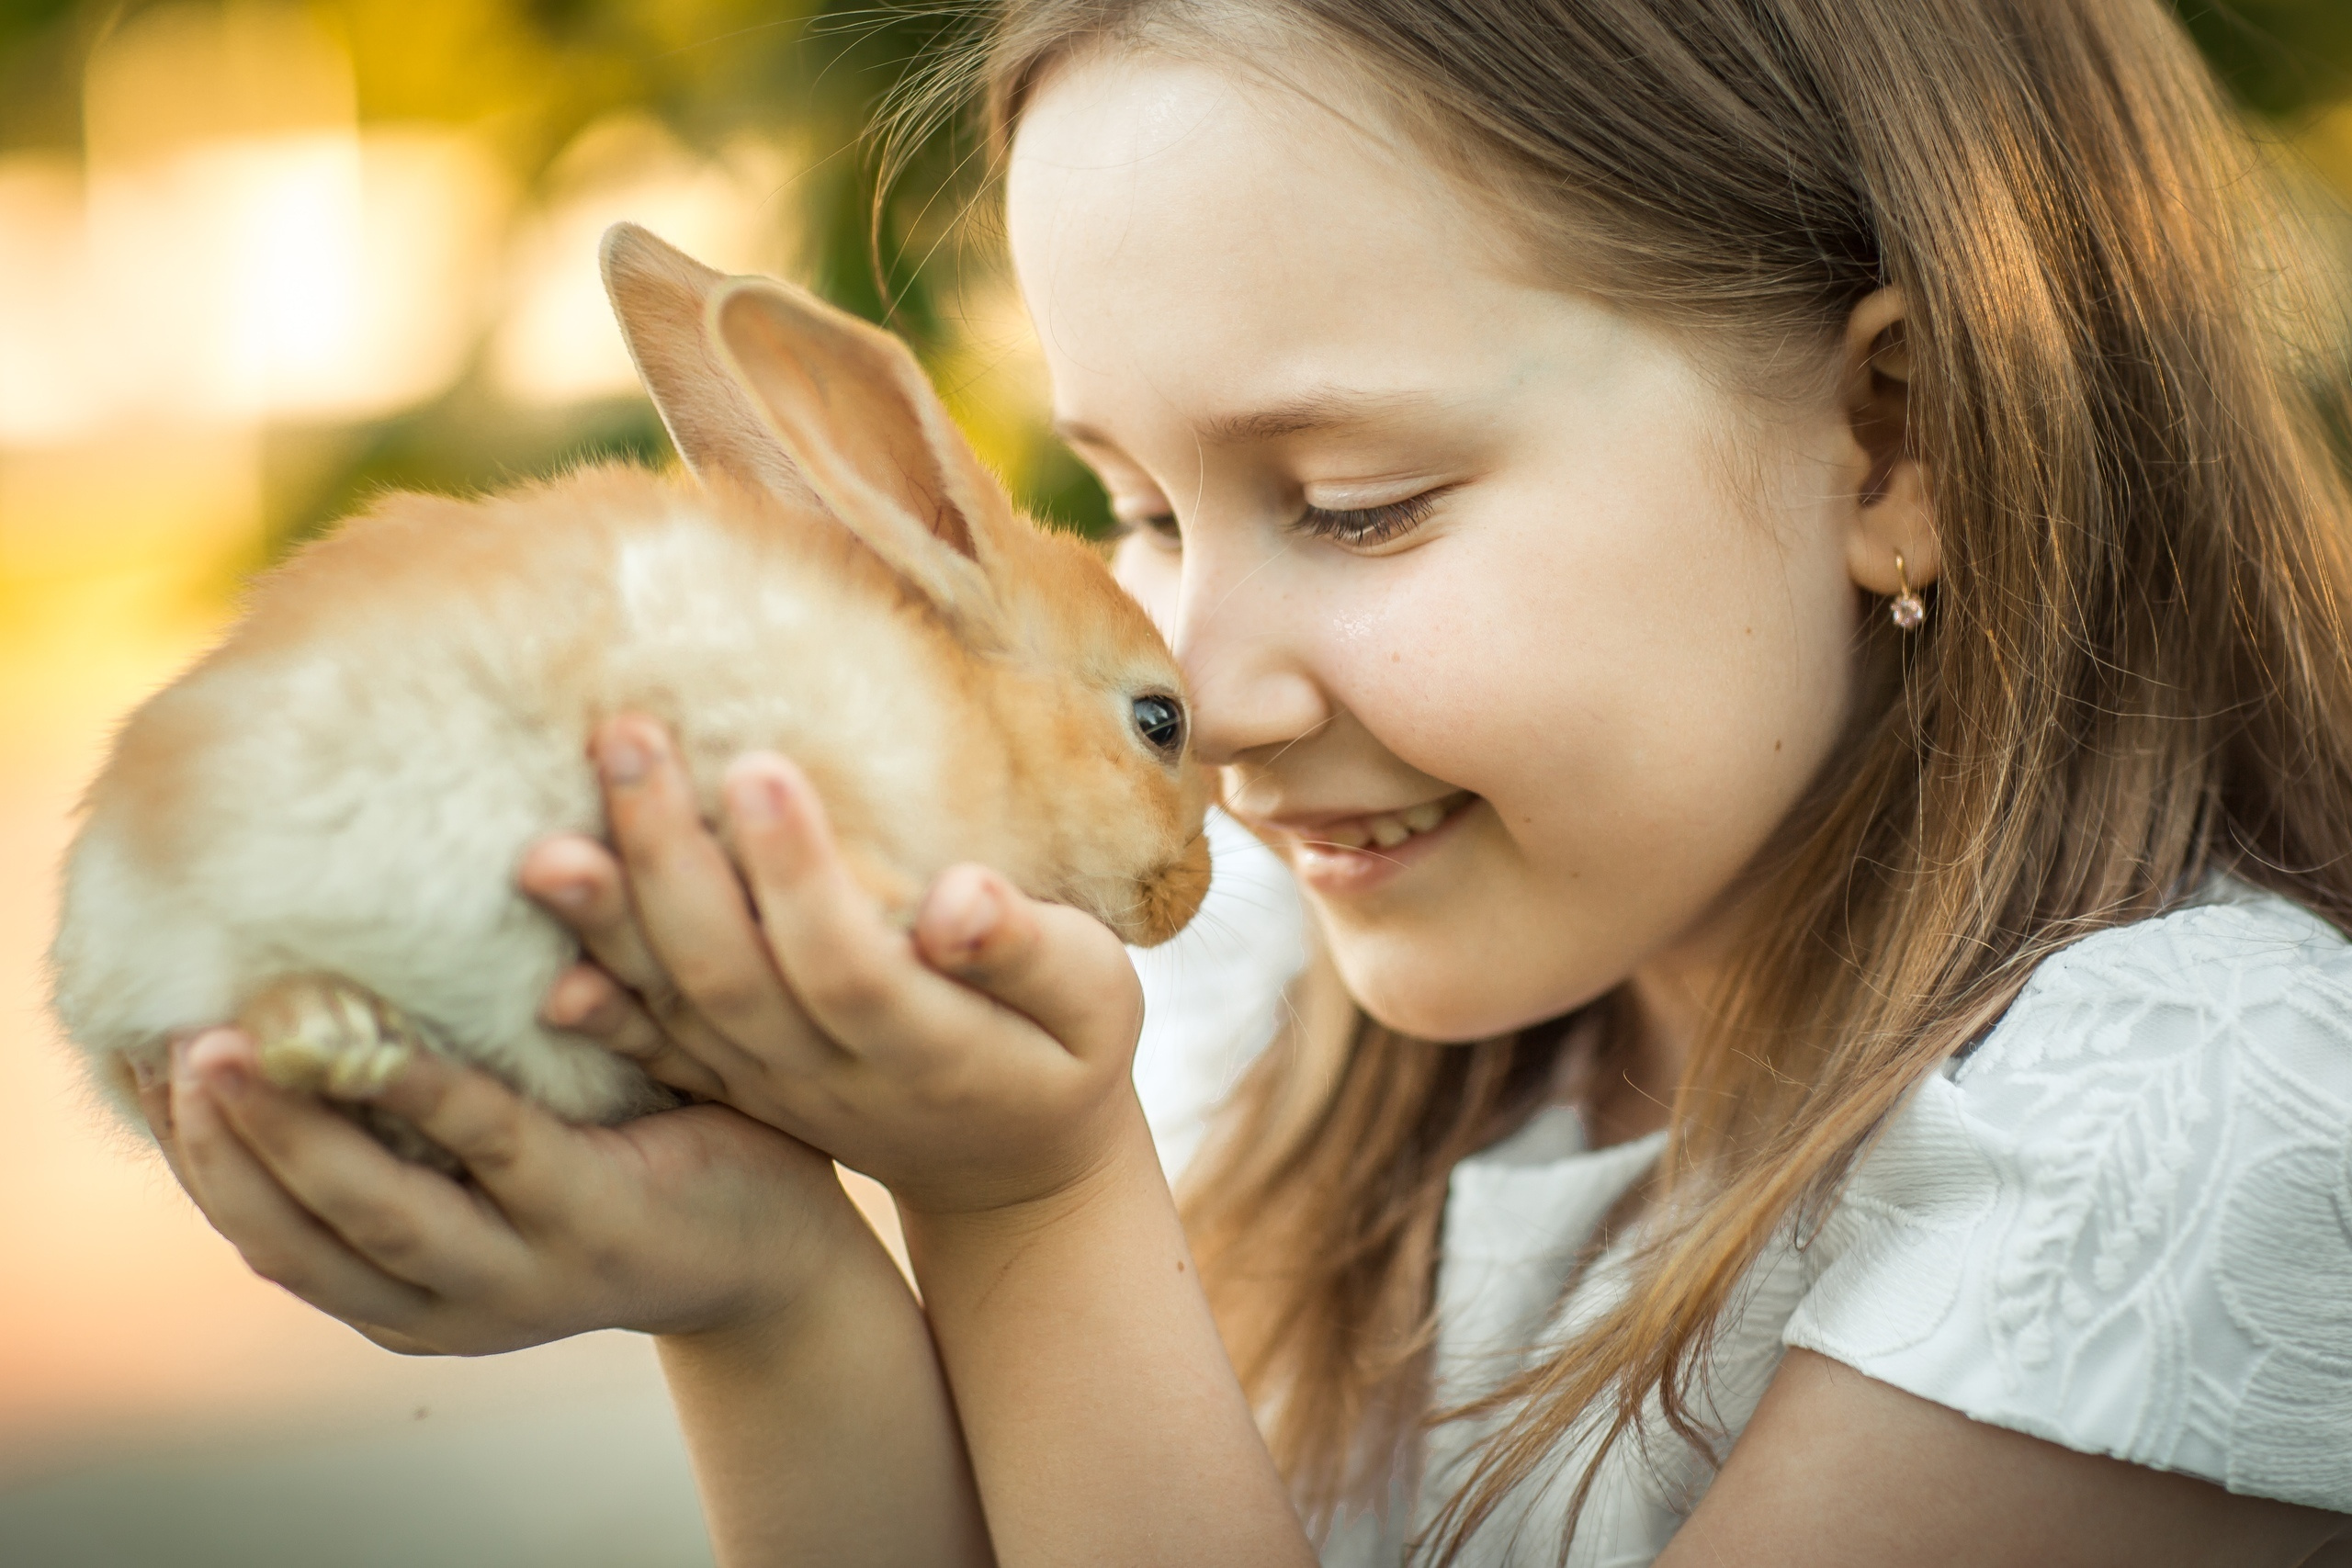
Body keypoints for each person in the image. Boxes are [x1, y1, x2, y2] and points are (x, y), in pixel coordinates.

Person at [130, 1, 2352, 1562]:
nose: (1208, 680)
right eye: (1139, 510)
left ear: (1895, 443)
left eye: (1361, 500)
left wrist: (1023, 1195)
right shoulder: (1256, 1003)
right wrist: (768, 1284)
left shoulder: (2182, 1133)